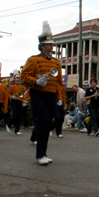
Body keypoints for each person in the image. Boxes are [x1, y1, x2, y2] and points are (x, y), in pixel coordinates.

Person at [20, 21, 63, 165]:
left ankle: (43, 153)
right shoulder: (33, 60)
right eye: (49, 44)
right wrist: (36, 82)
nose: (52, 47)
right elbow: (23, 77)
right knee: (42, 123)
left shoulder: (56, 63)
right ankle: (40, 155)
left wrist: (60, 98)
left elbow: (58, 82)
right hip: (38, 94)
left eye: (52, 44)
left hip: (51, 95)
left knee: (52, 121)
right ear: (42, 46)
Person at [6, 70, 25, 135]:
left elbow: (22, 94)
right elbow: (8, 94)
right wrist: (12, 97)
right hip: (14, 101)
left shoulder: (21, 87)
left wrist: (23, 100)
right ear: (14, 79)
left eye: (18, 78)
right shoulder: (11, 86)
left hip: (19, 101)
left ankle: (17, 130)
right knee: (15, 114)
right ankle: (9, 124)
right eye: (16, 78)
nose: (17, 79)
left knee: (19, 115)